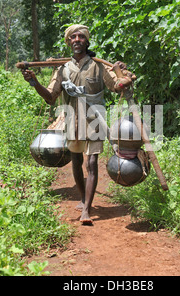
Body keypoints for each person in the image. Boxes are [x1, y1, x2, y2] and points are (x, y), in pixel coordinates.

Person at [22, 24, 134, 225]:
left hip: (95, 119)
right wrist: (34, 82)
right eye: (73, 37)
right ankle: (83, 198)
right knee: (76, 161)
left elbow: (116, 87)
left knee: (91, 163)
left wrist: (122, 76)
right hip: (71, 120)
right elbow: (50, 97)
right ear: (68, 42)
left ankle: (87, 211)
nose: (77, 40)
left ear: (86, 41)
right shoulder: (63, 69)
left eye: (81, 37)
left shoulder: (99, 66)